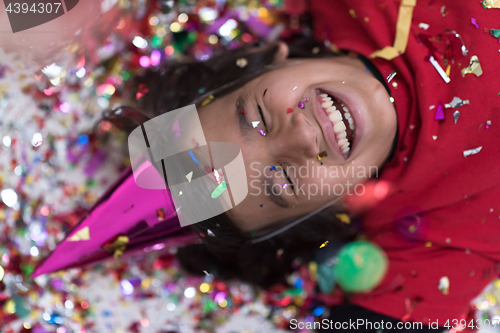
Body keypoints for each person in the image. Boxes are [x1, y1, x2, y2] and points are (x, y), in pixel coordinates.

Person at [101, 0, 500, 331]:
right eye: (285, 181)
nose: (302, 138)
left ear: (272, 60)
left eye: (256, 117)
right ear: (334, 208)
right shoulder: (435, 227)